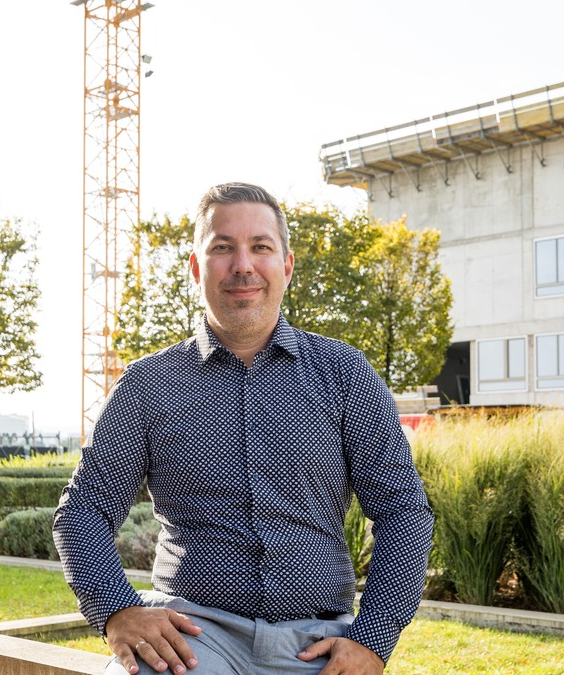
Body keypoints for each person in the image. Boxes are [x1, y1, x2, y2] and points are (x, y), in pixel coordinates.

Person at [53, 182, 434, 675]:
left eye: (260, 247)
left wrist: (373, 639)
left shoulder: (344, 374)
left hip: (318, 645)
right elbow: (82, 510)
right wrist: (116, 610)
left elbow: (403, 510)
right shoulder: (148, 384)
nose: (242, 265)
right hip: (192, 641)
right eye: (222, 248)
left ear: (287, 266)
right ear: (196, 268)